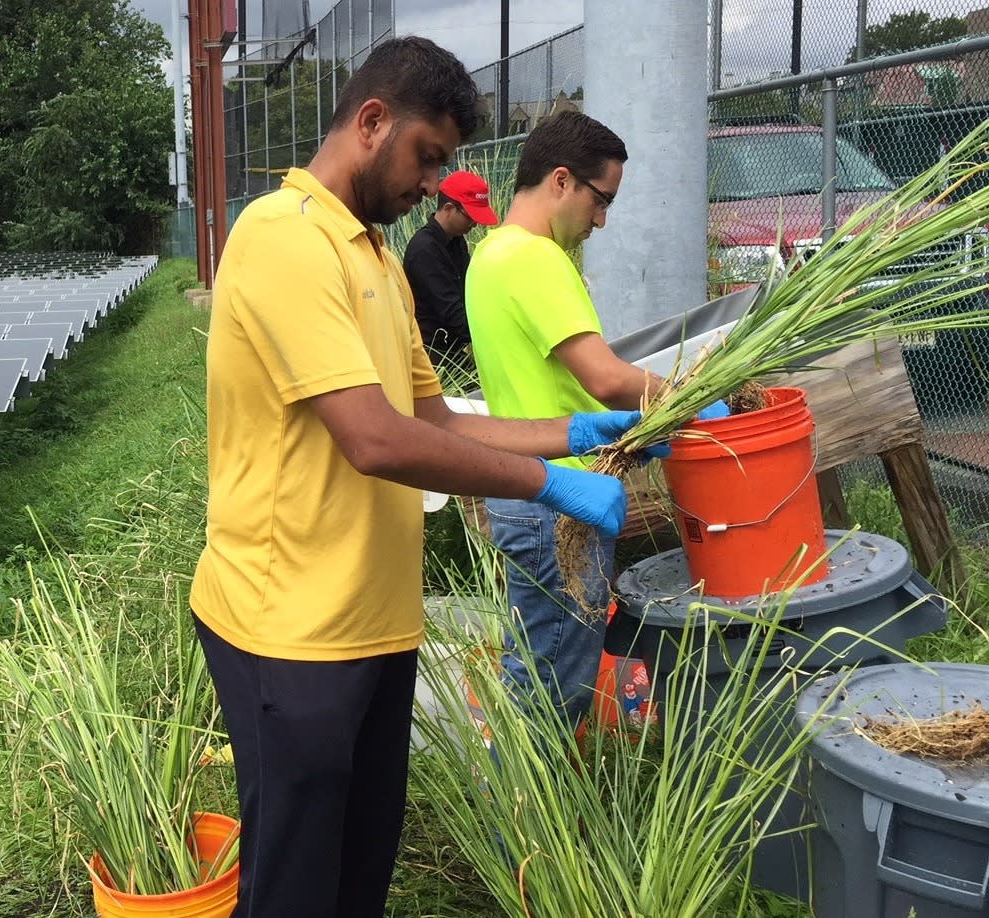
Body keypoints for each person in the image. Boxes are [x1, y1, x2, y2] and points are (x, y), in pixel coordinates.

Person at [192, 38, 661, 918]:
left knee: (361, 870)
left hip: (376, 620)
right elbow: (374, 439)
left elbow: (436, 421)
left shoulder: (375, 257)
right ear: (372, 122)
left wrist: (574, 431)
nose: (433, 182)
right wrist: (548, 487)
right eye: (428, 157)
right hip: (287, 628)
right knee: (294, 886)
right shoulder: (283, 239)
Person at [463, 110, 729, 730]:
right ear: (562, 181)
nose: (602, 219)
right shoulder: (535, 259)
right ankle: (525, 827)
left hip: (527, 490)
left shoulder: (490, 256)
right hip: (560, 501)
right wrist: (689, 398)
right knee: (554, 691)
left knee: (536, 670)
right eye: (601, 199)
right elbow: (605, 378)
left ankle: (521, 813)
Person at [402, 169, 499, 369]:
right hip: (431, 358)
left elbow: (470, 292)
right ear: (448, 208)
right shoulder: (424, 250)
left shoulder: (456, 241)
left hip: (454, 352)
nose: (474, 224)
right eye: (470, 217)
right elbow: (452, 312)